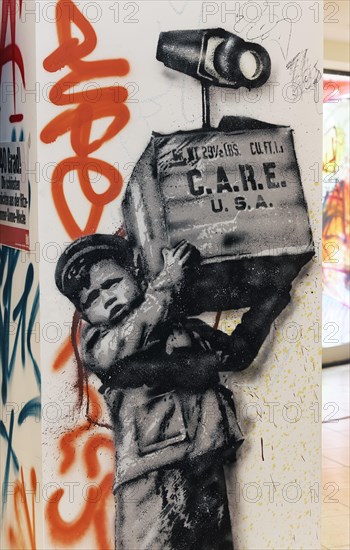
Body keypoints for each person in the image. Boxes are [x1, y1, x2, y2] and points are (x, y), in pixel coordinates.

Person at [55, 233, 295, 550]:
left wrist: (271, 299)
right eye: (92, 299)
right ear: (85, 316)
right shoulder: (99, 344)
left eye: (112, 283)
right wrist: (167, 283)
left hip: (204, 460)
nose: (108, 299)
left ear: (138, 274)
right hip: (149, 475)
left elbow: (236, 354)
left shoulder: (180, 327)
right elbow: (131, 337)